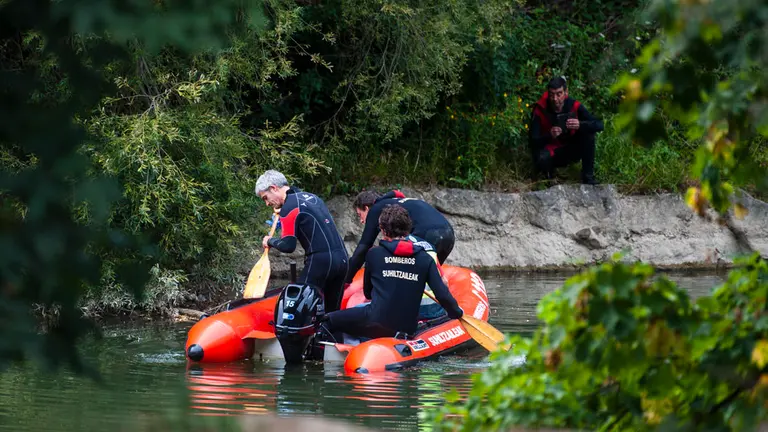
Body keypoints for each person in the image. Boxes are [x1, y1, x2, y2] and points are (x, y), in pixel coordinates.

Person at [322, 204, 463, 340]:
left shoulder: (373, 254)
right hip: (406, 327)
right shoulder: (425, 259)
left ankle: (334, 351)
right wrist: (457, 313)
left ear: (382, 230)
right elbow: (443, 296)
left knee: (330, 320)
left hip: (375, 322)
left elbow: (368, 293)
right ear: (409, 228)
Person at [255, 170, 349, 313]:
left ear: (274, 188)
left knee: (297, 307)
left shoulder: (289, 206)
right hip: (342, 259)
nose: (267, 203)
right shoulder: (312, 197)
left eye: (265, 198)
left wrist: (270, 241)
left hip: (321, 262)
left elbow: (288, 246)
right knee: (332, 312)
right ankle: (331, 335)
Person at [345, 189, 455, 284]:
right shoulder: (394, 202)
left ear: (367, 208)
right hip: (449, 234)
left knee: (406, 276)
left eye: (360, 215)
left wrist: (346, 279)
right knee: (427, 278)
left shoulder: (375, 209)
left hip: (428, 235)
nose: (361, 220)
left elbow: (363, 248)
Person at [528, 76, 604, 185]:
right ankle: (547, 177)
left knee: (588, 134)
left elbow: (599, 125)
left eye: (559, 94)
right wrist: (549, 135)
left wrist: (580, 125)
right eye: (551, 95)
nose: (555, 99)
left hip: (570, 148)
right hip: (550, 153)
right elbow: (533, 142)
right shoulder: (540, 109)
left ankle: (588, 177)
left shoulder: (574, 105)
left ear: (566, 93)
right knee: (541, 158)